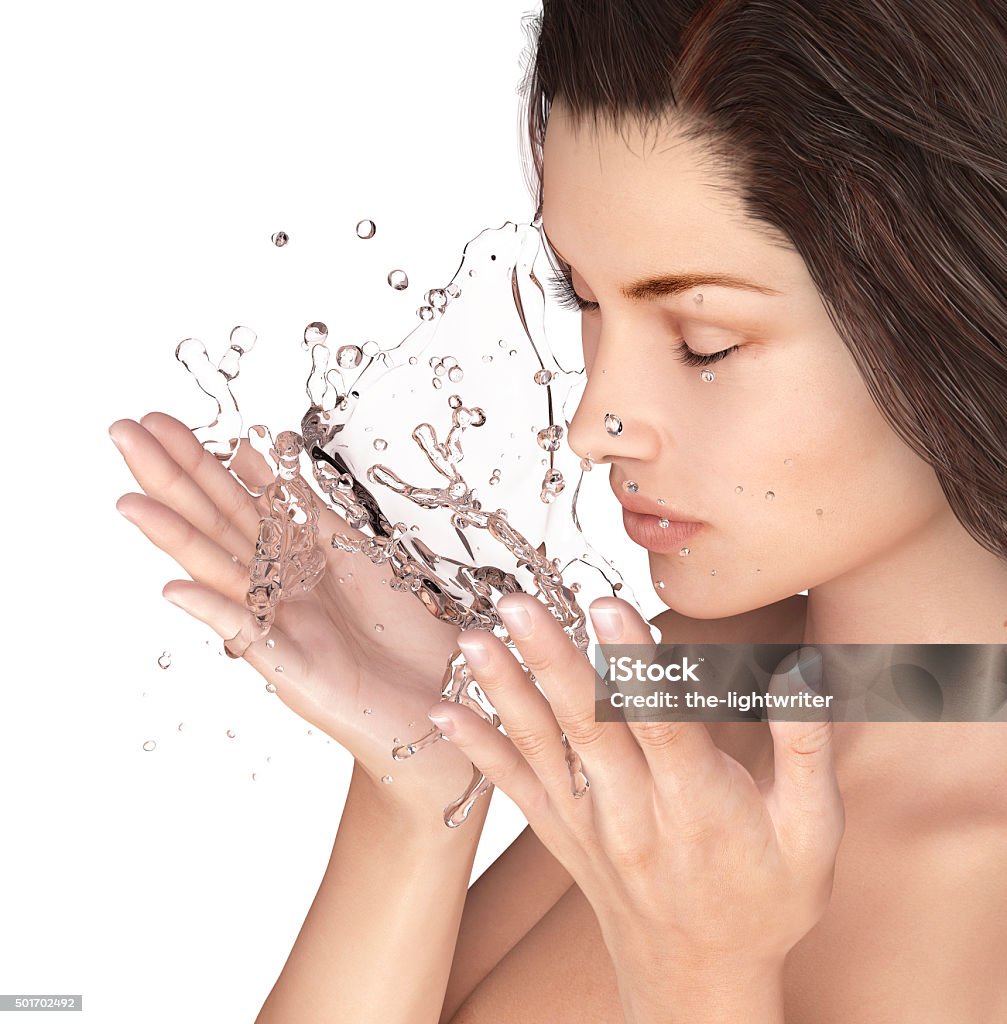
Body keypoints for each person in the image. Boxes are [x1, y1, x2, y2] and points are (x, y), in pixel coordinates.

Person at [109, 1, 1007, 1021]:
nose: (594, 423)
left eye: (703, 341)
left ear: (950, 295)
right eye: (581, 297)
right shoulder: (698, 683)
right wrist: (417, 796)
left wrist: (698, 978)